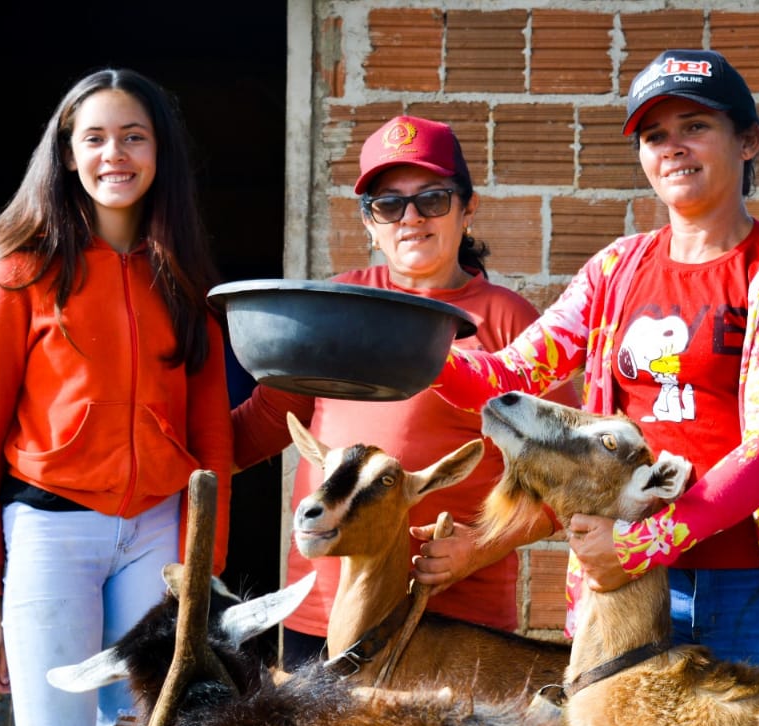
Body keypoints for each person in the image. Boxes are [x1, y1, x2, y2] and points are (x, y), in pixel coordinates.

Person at [430, 50, 759, 685]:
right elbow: (509, 376)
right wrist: (413, 349)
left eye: (695, 127)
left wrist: (637, 546)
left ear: (748, 140)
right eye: (655, 136)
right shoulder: (616, 269)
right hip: (631, 592)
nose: (673, 148)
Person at [0, 68, 233, 726]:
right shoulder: (20, 269)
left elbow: (212, 437)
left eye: (134, 136)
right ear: (68, 155)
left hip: (156, 533)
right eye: (96, 138)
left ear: (159, 154)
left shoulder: (187, 278)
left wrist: (202, 568)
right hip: (50, 533)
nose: (117, 153)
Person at [232, 115, 578, 670]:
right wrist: (153, 462)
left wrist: (476, 549)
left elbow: (565, 479)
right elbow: (266, 422)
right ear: (370, 222)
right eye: (388, 204)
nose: (410, 218)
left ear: (467, 209)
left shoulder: (508, 322)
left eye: (432, 199)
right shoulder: (338, 307)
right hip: (319, 612)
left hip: (448, 618)